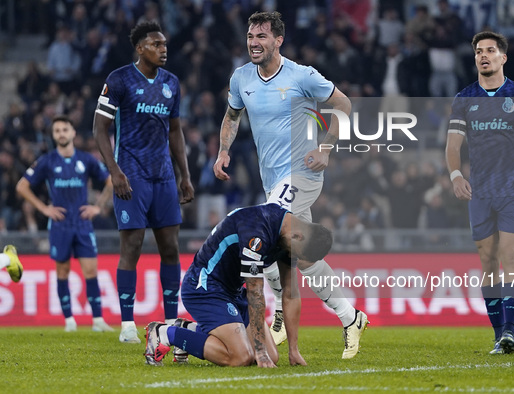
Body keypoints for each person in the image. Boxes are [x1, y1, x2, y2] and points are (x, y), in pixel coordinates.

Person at [213, 11, 368, 359]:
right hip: (272, 178)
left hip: (303, 173)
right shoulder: (241, 78)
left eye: (262, 37)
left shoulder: (302, 76)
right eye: (251, 36)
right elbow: (232, 114)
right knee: (302, 254)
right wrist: (223, 151)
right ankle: (350, 316)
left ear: (278, 40)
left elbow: (343, 103)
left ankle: (283, 313)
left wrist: (326, 147)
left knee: (263, 234)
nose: (254, 43)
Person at [445, 31, 514, 355]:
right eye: (479, 51)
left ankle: (510, 332)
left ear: (503, 57)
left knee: (510, 257)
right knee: (488, 263)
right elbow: (452, 145)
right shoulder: (465, 98)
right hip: (481, 193)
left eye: (490, 50)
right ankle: (498, 336)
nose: (483, 56)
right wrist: (456, 174)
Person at [92, 21, 194, 343]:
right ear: (140, 48)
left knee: (170, 248)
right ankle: (126, 325)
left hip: (163, 175)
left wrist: (185, 176)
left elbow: (175, 131)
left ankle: (169, 321)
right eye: (156, 44)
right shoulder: (119, 79)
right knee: (132, 247)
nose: (164, 49)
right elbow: (99, 129)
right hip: (131, 176)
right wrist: (115, 171)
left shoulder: (171, 83)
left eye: (164, 44)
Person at [144, 203, 333, 367]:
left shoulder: (288, 238)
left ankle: (189, 329)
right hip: (204, 288)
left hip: (232, 293)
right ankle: (165, 333)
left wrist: (293, 350)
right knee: (241, 357)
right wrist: (259, 352)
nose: (296, 259)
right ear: (298, 236)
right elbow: (255, 293)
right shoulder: (257, 230)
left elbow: (291, 293)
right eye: (299, 254)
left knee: (272, 357)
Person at [16, 116, 113, 332]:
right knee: (62, 272)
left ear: (73, 133)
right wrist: (44, 209)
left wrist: (97, 206)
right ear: (53, 135)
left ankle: (97, 320)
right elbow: (22, 186)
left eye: (65, 129)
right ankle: (69, 320)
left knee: (91, 271)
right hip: (59, 225)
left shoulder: (86, 160)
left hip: (82, 224)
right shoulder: (47, 161)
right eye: (57, 130)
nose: (61, 133)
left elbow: (110, 181)